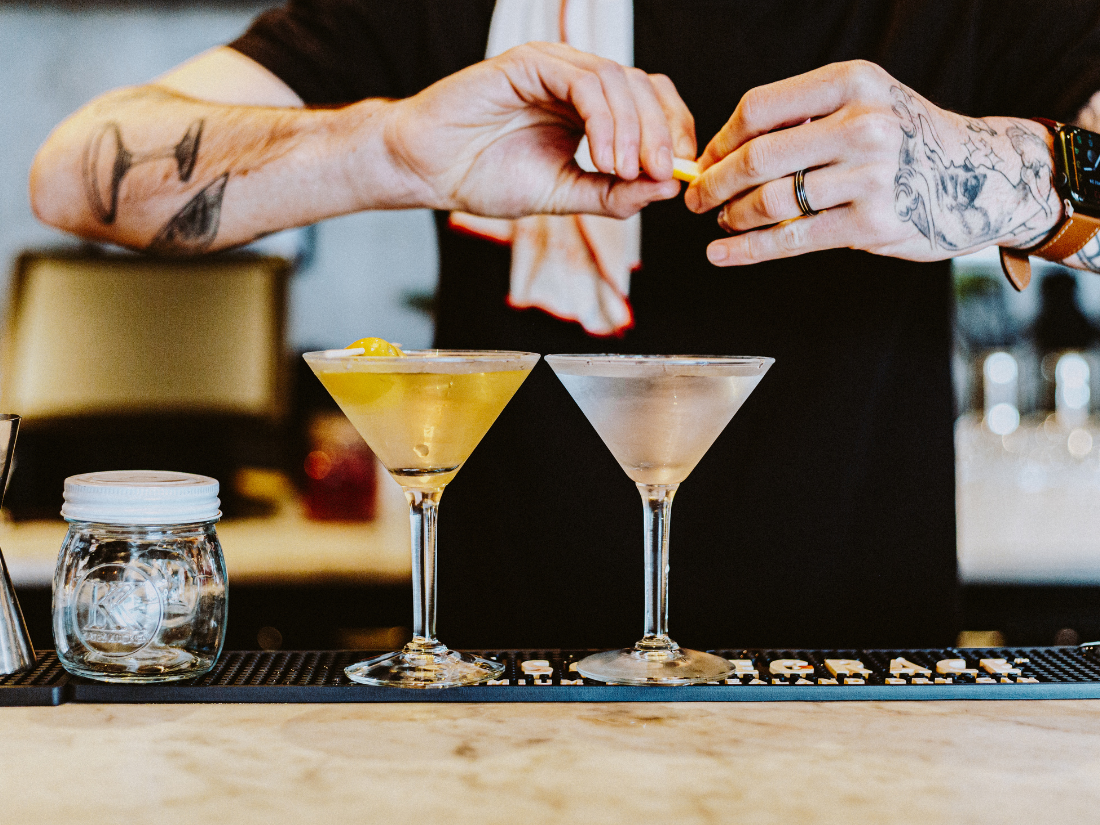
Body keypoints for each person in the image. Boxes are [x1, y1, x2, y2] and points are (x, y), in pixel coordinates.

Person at [29, 0, 1100, 650]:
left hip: (866, 686)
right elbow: (75, 174)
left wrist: (1006, 173)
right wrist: (393, 148)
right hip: (502, 691)